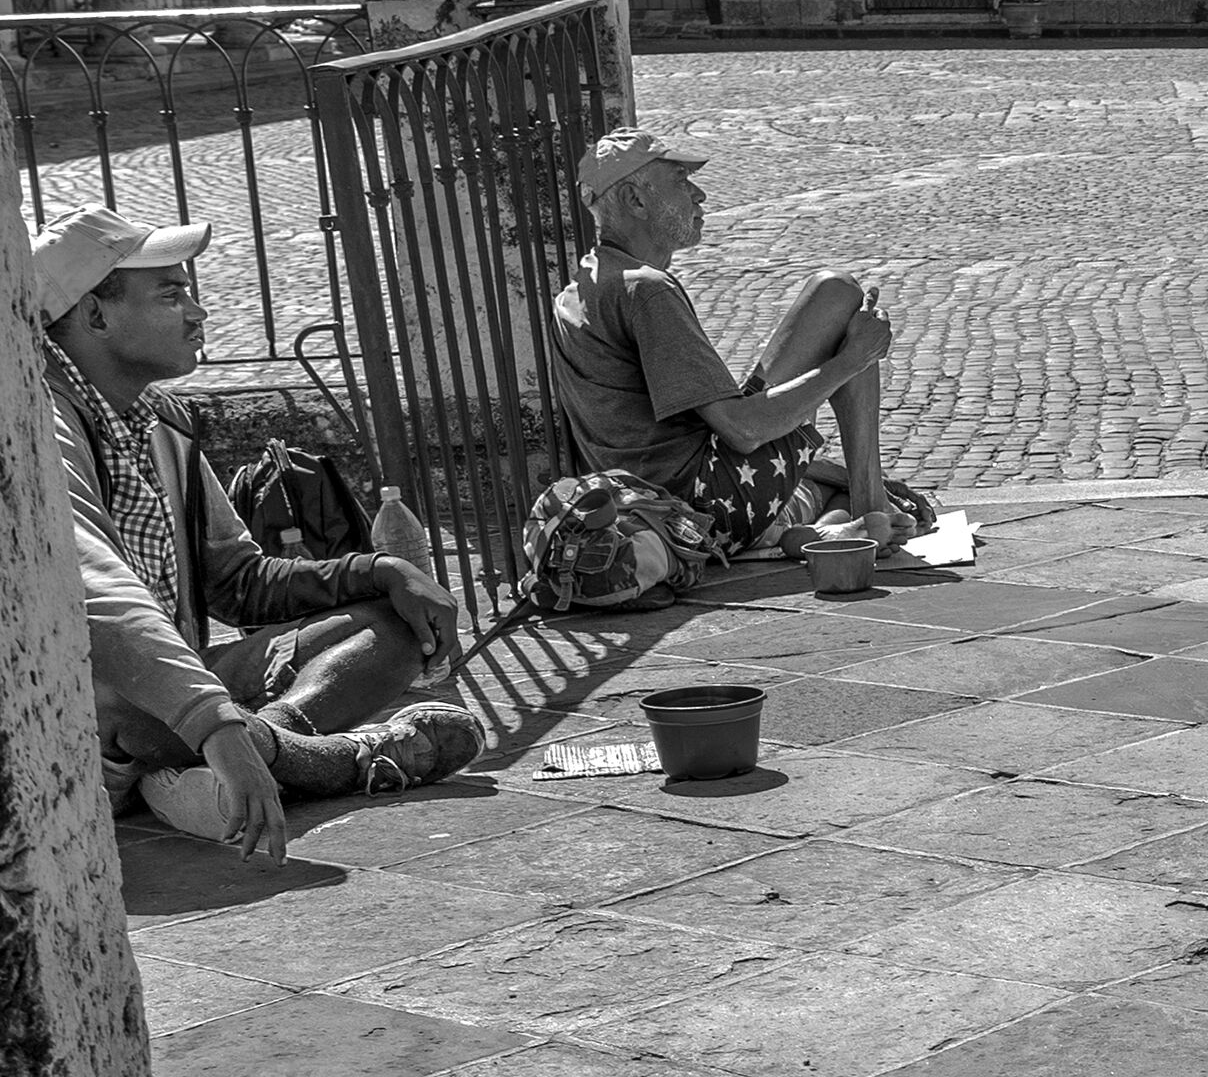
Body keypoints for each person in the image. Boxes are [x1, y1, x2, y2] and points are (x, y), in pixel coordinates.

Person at [39, 205, 482, 866]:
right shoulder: (39, 426)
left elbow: (238, 582)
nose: (198, 312)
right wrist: (213, 722)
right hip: (89, 714)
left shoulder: (162, 422)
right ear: (95, 316)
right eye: (171, 293)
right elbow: (97, 599)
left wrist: (380, 571)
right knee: (129, 698)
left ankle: (249, 757)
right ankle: (341, 759)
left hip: (185, 693)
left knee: (390, 628)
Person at [550, 126, 936, 558]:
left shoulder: (582, 286)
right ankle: (867, 507)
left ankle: (831, 529)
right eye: (680, 181)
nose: (699, 196)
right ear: (636, 201)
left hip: (659, 511)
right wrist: (854, 358)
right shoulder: (645, 289)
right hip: (704, 511)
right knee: (837, 294)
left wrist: (851, 474)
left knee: (821, 489)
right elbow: (742, 430)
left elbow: (674, 445)